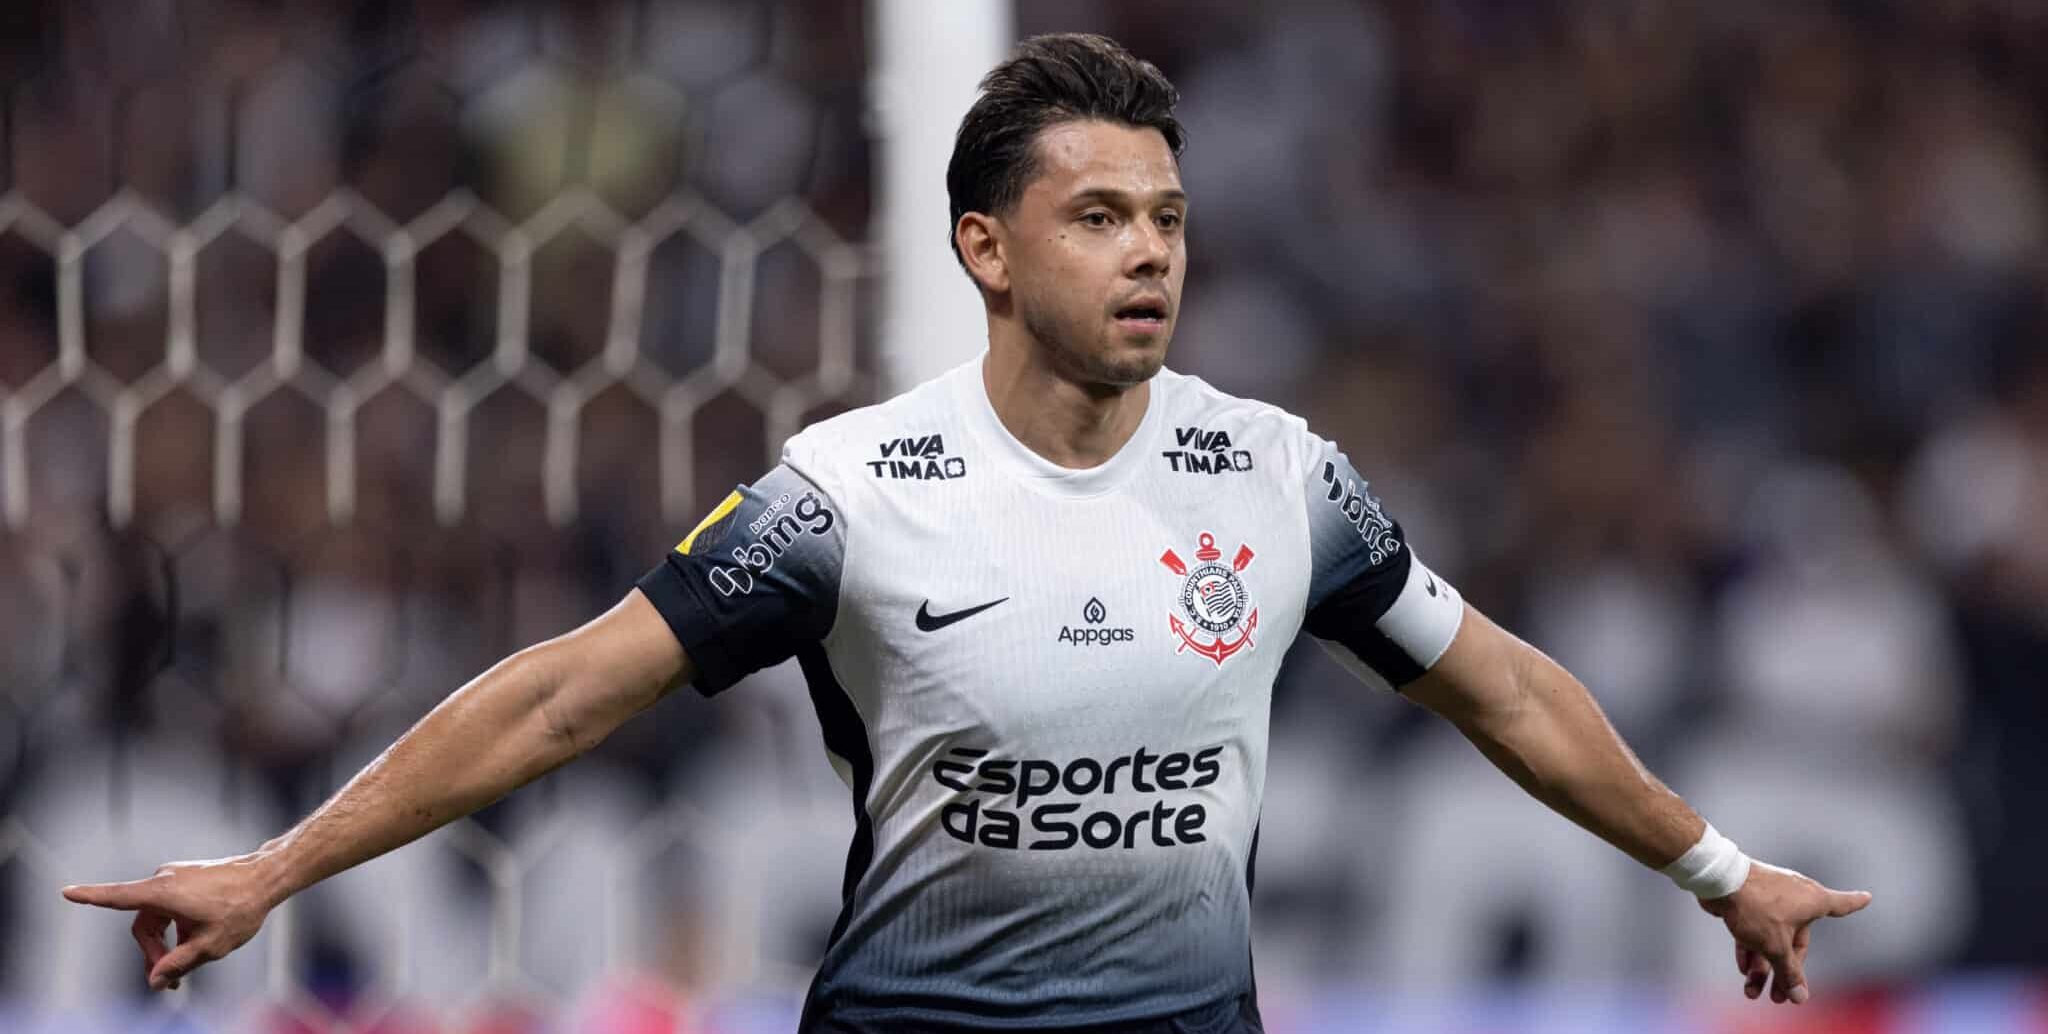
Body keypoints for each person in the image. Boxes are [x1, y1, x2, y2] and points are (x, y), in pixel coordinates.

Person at [63, 32, 1870, 1032]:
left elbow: (1505, 693)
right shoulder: (852, 492)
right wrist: (274, 871)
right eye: (1099, 217)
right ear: (985, 250)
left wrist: (1724, 872)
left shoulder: (1280, 476)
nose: (1150, 252)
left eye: (1167, 216)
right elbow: (559, 698)